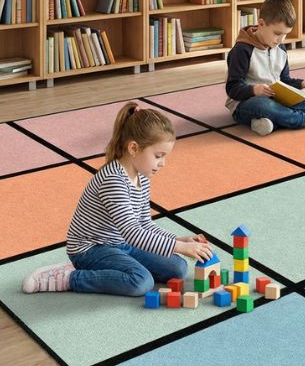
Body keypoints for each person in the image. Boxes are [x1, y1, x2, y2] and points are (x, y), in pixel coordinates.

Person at [21, 103, 212, 295]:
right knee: (141, 282)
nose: (163, 164)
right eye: (158, 156)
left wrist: (178, 239)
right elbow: (133, 232)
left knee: (177, 268)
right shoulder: (113, 180)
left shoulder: (142, 176)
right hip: (90, 249)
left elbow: (144, 224)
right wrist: (181, 246)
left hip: (124, 243)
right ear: (134, 148)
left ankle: (115, 267)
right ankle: (69, 277)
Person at [225, 0, 305, 135]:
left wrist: (302, 84)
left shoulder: (280, 48)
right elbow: (232, 88)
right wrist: (254, 90)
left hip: (277, 100)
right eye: (277, 33)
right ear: (261, 24)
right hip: (246, 103)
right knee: (263, 105)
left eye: (285, 34)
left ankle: (273, 120)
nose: (281, 39)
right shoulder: (242, 50)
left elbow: (284, 80)